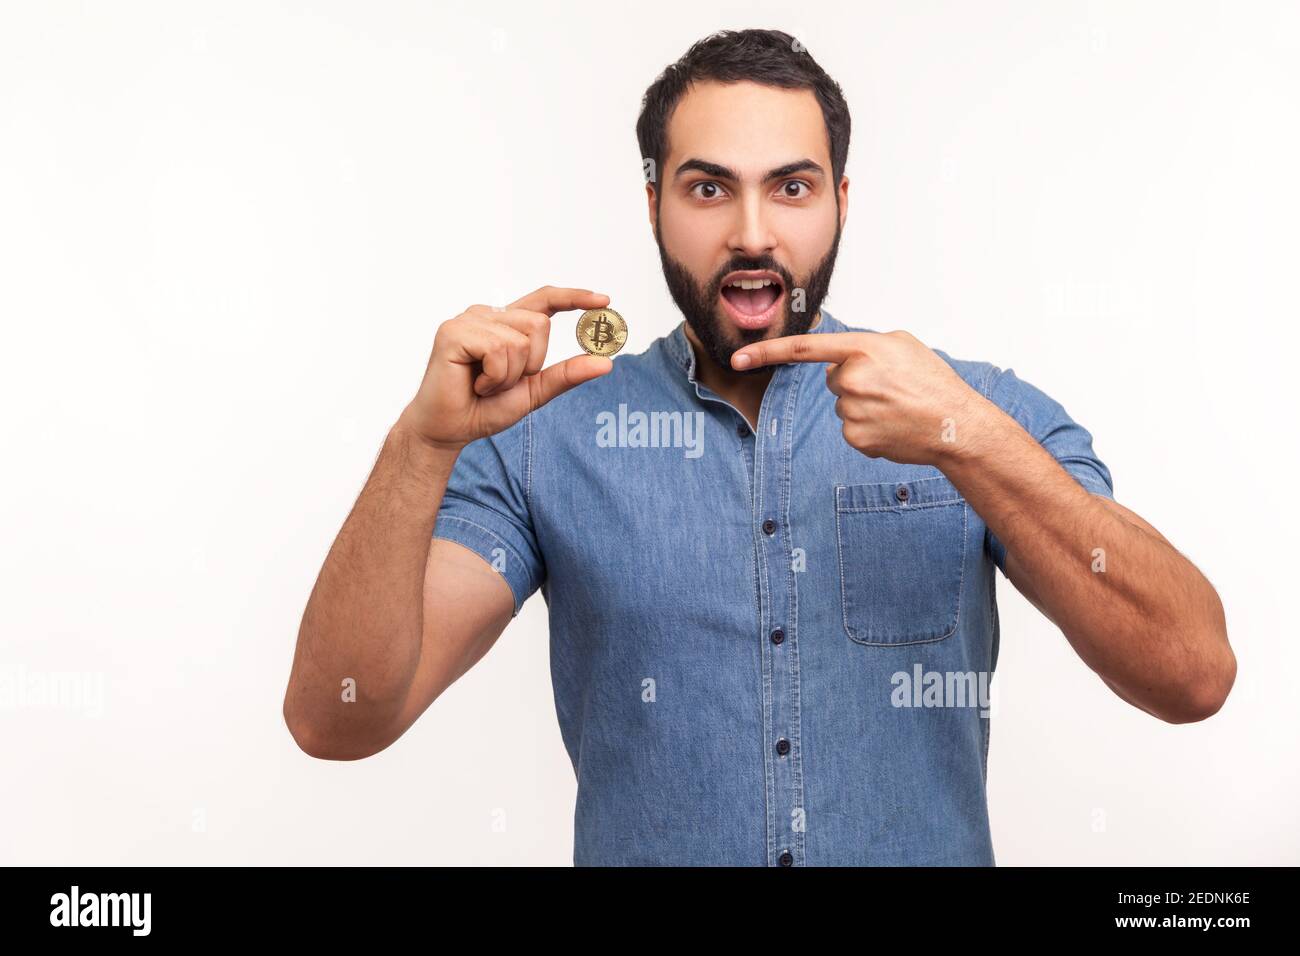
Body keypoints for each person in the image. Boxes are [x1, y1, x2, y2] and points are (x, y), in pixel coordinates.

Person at [283, 29, 1235, 866]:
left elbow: (1192, 673)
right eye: (708, 188)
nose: (752, 233)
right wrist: (421, 445)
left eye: (791, 187)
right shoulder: (544, 439)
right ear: (654, 203)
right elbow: (338, 718)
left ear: (842, 202)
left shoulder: (978, 408)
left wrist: (969, 439)